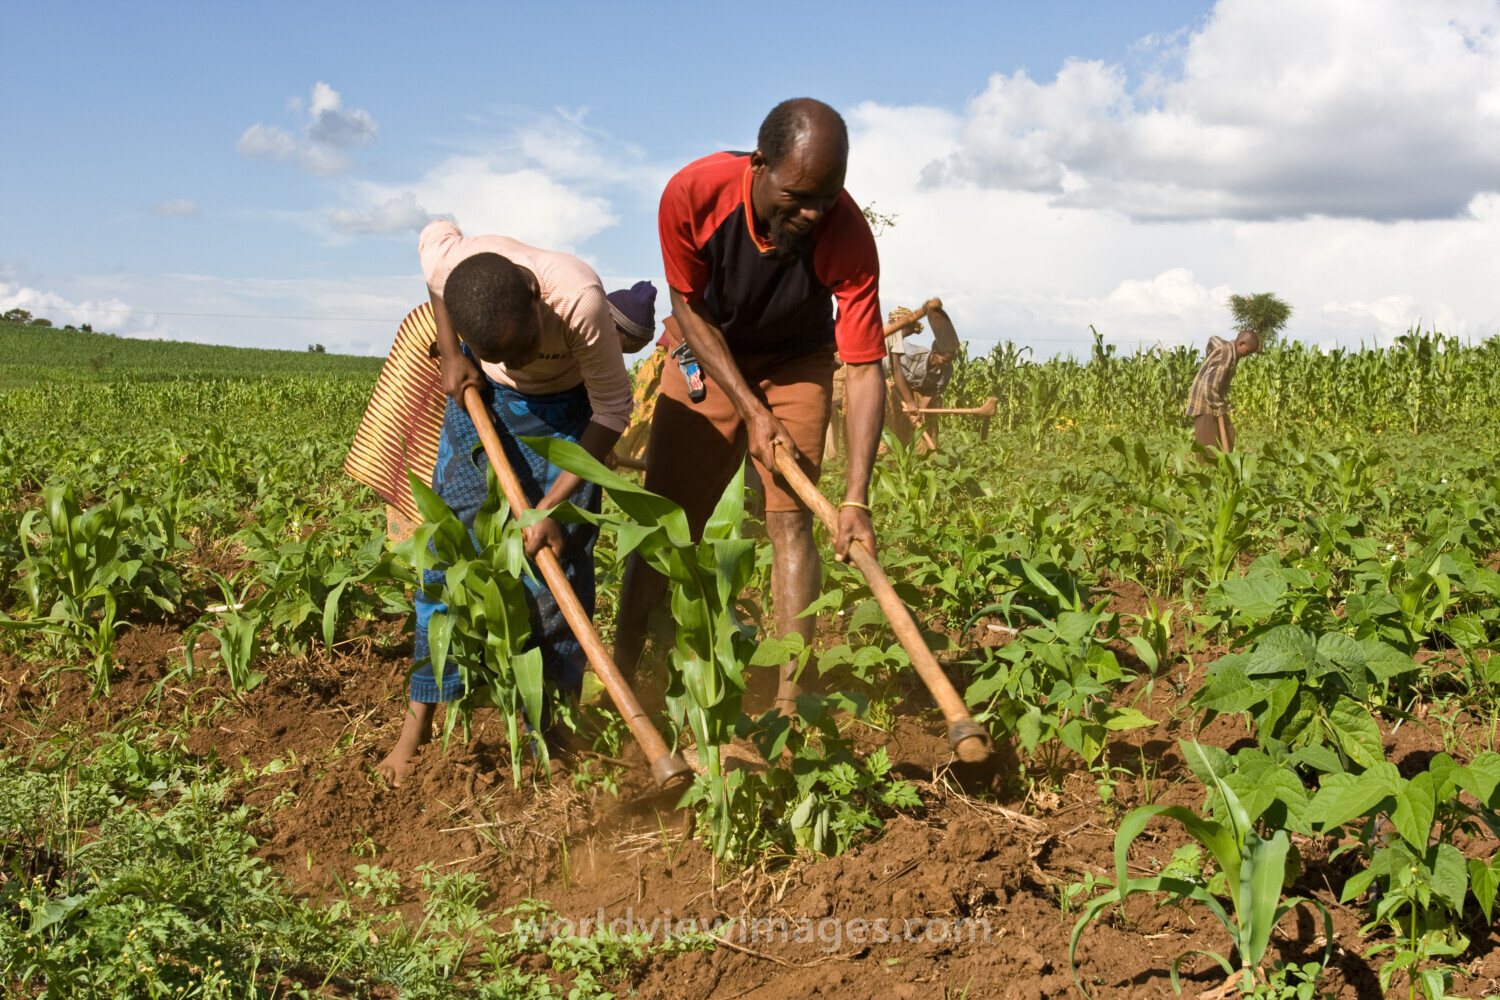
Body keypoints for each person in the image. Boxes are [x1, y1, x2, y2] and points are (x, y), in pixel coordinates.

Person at [612, 97, 886, 719]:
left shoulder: (844, 231)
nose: (814, 213)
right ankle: (624, 678)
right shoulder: (693, 193)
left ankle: (789, 703)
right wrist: (751, 412)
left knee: (792, 523)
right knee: (665, 518)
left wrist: (856, 497)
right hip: (705, 348)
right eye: (798, 196)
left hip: (797, 360)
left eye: (828, 196)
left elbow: (866, 366)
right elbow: (687, 307)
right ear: (760, 165)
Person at [377, 220, 635, 787]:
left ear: (538, 301)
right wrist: (453, 354)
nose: (518, 362)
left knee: (559, 562)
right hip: (482, 401)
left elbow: (613, 411)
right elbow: (434, 248)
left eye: (523, 350)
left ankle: (555, 722)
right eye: (505, 353)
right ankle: (416, 726)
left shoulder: (580, 303)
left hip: (569, 411)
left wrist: (548, 506)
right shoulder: (455, 265)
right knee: (446, 561)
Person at [883, 303, 960, 449]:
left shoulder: (947, 370)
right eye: (944, 360)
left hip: (924, 396)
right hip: (902, 391)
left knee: (926, 430)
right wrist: (910, 402)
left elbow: (934, 391)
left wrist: (921, 411)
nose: (946, 364)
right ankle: (897, 458)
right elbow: (896, 368)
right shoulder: (909, 353)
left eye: (949, 362)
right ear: (935, 353)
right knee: (898, 428)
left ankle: (927, 461)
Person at [1184, 329, 1261, 459]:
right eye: (1247, 352)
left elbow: (1212, 339)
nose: (1247, 355)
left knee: (1228, 432)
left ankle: (1222, 465)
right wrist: (1219, 405)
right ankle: (1207, 472)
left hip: (1212, 399)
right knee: (1207, 443)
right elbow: (1210, 385)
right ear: (1241, 343)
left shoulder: (1228, 347)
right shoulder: (1226, 356)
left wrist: (1211, 355)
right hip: (1205, 402)